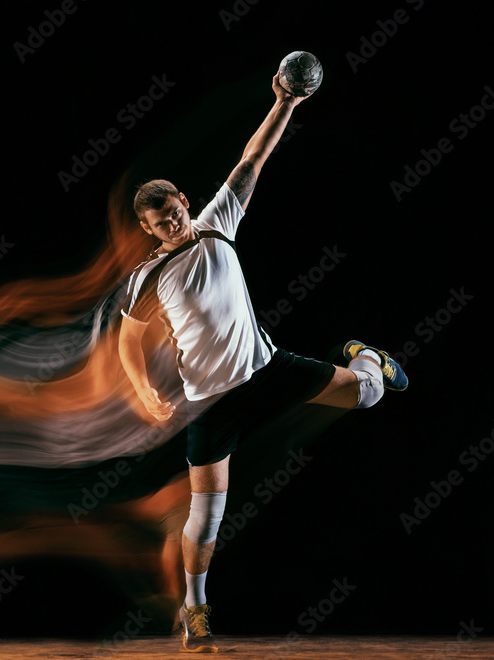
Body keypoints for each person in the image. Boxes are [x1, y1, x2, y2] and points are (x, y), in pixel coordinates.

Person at [118, 71, 408, 652]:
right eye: (156, 223)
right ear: (146, 229)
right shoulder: (146, 276)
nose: (168, 224)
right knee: (208, 516)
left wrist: (285, 101)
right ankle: (194, 610)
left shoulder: (218, 224)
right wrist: (141, 389)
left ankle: (365, 355)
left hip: (267, 371)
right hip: (208, 404)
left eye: (172, 211)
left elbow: (252, 159)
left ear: (184, 203)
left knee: (372, 392)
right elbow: (128, 339)